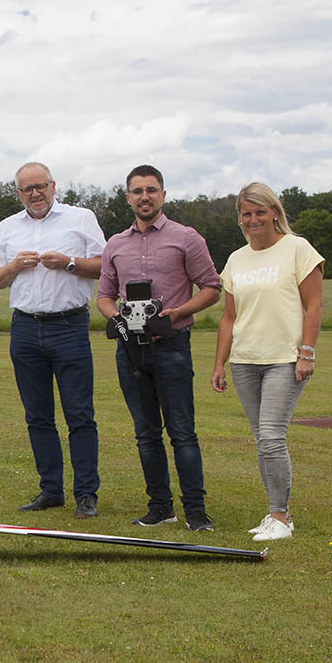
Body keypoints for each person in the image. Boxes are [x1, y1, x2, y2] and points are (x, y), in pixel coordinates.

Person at [96, 165, 221, 531]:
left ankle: (195, 511)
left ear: (163, 195)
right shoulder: (115, 244)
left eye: (151, 190)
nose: (144, 197)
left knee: (182, 431)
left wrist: (177, 312)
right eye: (137, 191)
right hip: (130, 349)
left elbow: (212, 288)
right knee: (145, 432)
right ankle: (160, 506)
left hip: (172, 345)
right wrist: (116, 317)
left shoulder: (186, 238)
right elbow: (104, 296)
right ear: (128, 197)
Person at [0, 162, 106, 518]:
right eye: (27, 189)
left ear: (54, 186)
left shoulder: (80, 219)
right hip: (24, 328)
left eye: (41, 186)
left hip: (69, 326)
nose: (35, 193)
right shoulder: (7, 227)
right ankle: (50, 490)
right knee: (37, 416)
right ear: (18, 193)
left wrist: (69, 263)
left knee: (80, 415)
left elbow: (107, 265)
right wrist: (12, 268)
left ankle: (86, 494)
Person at [211, 182, 323, 542]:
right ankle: (274, 512)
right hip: (245, 361)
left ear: (275, 212)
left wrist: (307, 352)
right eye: (247, 213)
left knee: (273, 437)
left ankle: (281, 517)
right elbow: (229, 317)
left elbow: (314, 305)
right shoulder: (236, 259)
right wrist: (219, 364)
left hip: (285, 359)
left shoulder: (297, 249)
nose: (254, 219)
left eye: (260, 211)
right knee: (262, 439)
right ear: (240, 218)